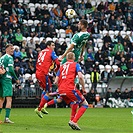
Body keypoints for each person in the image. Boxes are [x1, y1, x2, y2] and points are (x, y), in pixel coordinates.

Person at [42, 19, 90, 113]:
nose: (78, 25)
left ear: (83, 25)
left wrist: (62, 56)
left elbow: (71, 47)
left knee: (60, 69)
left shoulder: (77, 35)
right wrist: (81, 55)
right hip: (76, 57)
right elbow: (83, 45)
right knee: (68, 78)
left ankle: (51, 88)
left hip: (70, 56)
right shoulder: (87, 35)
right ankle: (57, 90)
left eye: (79, 24)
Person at [54, 52, 88, 130]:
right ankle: (74, 121)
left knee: (74, 103)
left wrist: (61, 88)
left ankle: (71, 120)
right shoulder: (76, 64)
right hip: (70, 89)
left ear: (66, 58)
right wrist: (83, 88)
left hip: (61, 90)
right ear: (73, 58)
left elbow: (56, 81)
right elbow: (80, 77)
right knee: (84, 104)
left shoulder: (62, 66)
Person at [34, 41, 60, 118]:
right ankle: (39, 109)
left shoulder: (41, 52)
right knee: (48, 92)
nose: (54, 47)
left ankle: (41, 107)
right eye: (52, 45)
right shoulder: (51, 51)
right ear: (48, 46)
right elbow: (58, 63)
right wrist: (57, 69)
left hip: (38, 72)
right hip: (43, 73)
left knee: (46, 90)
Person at [0, 44, 20, 124]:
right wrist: (16, 78)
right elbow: (11, 70)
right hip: (7, 79)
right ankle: (7, 118)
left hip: (1, 79)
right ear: (7, 49)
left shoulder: (1, 58)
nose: (12, 50)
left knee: (1, 99)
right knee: (9, 98)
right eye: (11, 49)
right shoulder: (9, 57)